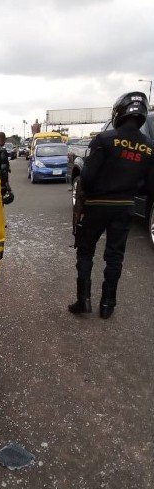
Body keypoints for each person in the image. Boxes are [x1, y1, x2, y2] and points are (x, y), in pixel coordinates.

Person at [69, 91, 154, 319]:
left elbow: (86, 177)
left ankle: (83, 300)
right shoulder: (148, 146)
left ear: (119, 112)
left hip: (98, 204)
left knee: (86, 250)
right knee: (115, 256)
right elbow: (149, 185)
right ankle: (108, 305)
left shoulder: (105, 139)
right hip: (125, 206)